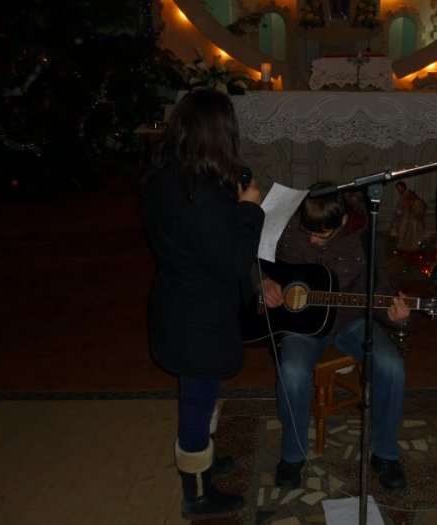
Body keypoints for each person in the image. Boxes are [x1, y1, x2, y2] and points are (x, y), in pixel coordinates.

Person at [141, 88, 264, 520]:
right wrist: (249, 210)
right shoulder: (200, 193)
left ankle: (204, 461)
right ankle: (196, 494)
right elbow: (231, 262)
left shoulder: (167, 176)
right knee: (196, 404)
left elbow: (199, 239)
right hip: (197, 317)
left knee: (202, 394)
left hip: (178, 304)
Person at [260, 182, 411, 491]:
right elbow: (251, 256)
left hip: (350, 321)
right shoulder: (286, 221)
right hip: (301, 324)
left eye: (322, 234)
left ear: (342, 220)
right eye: (308, 232)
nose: (313, 240)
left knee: (391, 366)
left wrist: (399, 318)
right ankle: (292, 455)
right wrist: (262, 282)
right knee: (292, 371)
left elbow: (379, 290)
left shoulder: (365, 235)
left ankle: (384, 454)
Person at [389, 180, 428, 250]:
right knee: (402, 230)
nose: (398, 189)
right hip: (406, 217)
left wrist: (410, 207)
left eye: (399, 187)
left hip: (411, 218)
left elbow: (417, 204)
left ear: (403, 187)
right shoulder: (404, 195)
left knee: (407, 232)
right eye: (397, 188)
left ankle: (406, 246)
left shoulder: (408, 194)